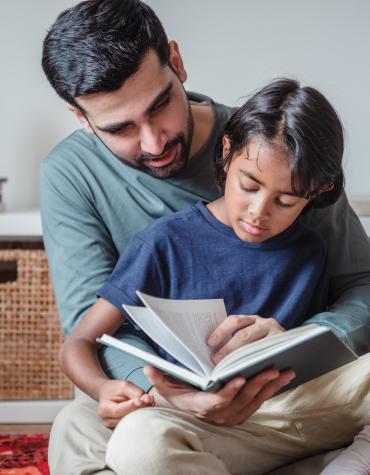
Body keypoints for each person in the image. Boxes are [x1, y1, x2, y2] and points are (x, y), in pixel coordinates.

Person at [40, 0, 370, 473]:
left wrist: (303, 338)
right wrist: (167, 397)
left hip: (294, 400)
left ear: (176, 62)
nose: (154, 142)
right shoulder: (71, 176)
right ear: (81, 117)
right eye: (120, 128)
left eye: (160, 105)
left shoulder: (274, 145)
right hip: (164, 409)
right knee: (76, 428)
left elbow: (361, 282)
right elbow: (89, 334)